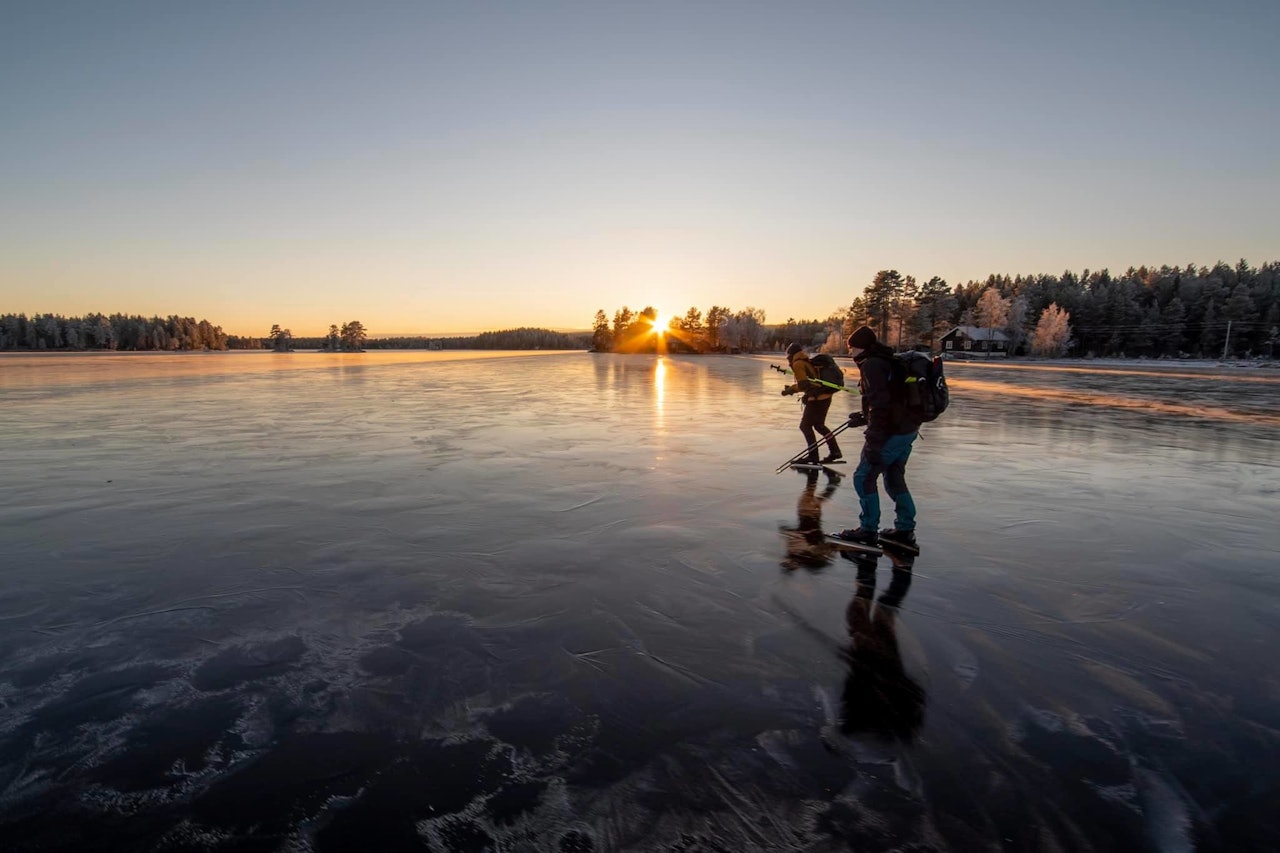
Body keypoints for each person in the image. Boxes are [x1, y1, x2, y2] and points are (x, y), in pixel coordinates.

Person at [830, 326, 921, 553]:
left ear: (862, 348)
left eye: (852, 348)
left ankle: (868, 530)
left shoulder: (872, 365)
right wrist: (863, 417)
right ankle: (904, 529)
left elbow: (881, 406)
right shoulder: (886, 360)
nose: (850, 352)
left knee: (864, 476)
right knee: (893, 476)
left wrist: (873, 441)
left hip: (891, 432)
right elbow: (891, 399)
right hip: (907, 428)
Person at [780, 343, 843, 464]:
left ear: (790, 354)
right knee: (819, 426)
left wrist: (790, 390)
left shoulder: (798, 363)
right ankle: (835, 451)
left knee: (805, 426)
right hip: (825, 396)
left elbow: (803, 385)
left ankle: (813, 456)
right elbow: (810, 382)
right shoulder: (805, 360)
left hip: (817, 399)